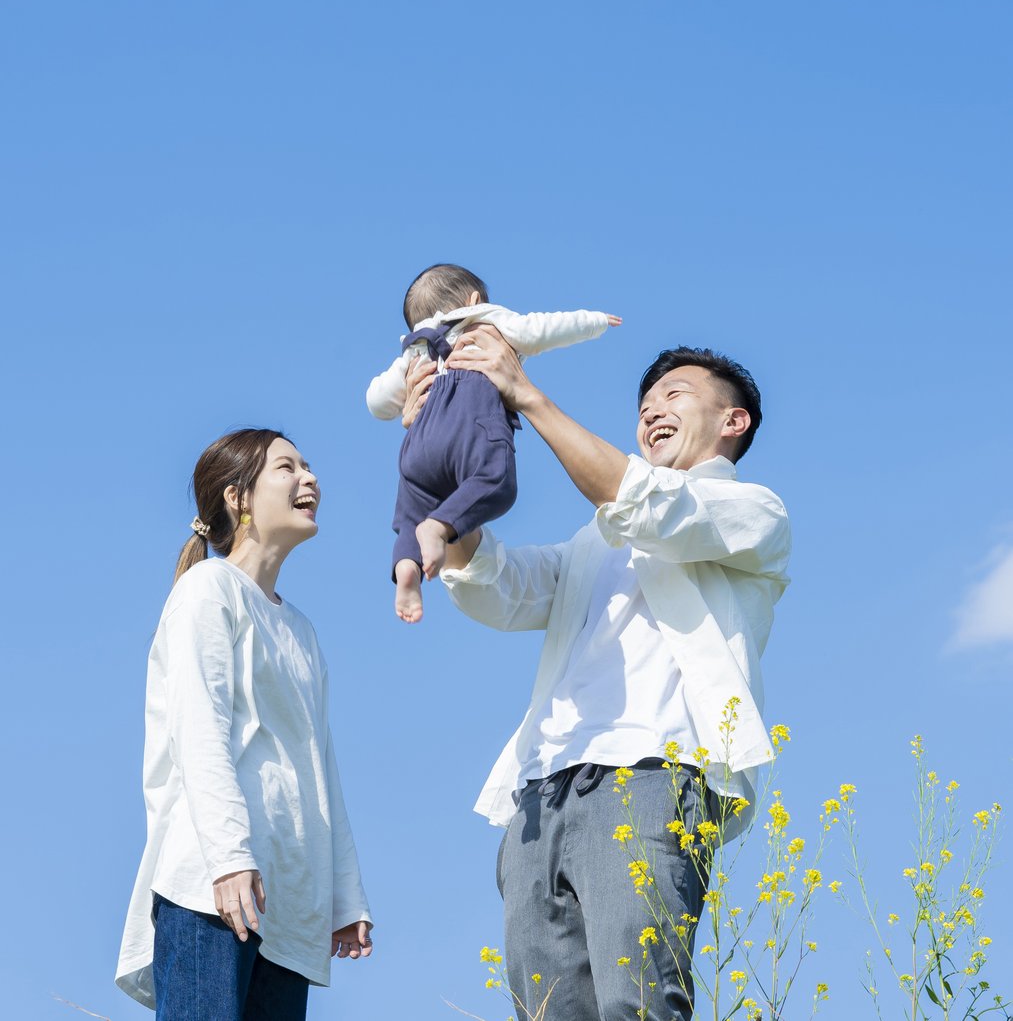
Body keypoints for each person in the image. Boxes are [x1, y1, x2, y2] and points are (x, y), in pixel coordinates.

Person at [410, 331, 790, 1021]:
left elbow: (649, 505)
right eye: (644, 402)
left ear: (732, 421)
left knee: (635, 1001)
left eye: (674, 394)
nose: (651, 411)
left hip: (651, 772)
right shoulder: (594, 539)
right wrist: (442, 446)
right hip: (543, 786)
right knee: (548, 1010)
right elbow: (502, 585)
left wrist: (527, 394)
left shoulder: (751, 512)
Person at [116, 429, 373, 1020]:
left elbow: (319, 764)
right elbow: (198, 732)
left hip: (289, 903)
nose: (310, 479)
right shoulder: (207, 591)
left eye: (308, 466)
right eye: (287, 468)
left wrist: (344, 891)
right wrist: (229, 857)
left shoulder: (302, 630)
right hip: (214, 886)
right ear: (239, 497)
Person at [366, 262, 620, 622]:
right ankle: (439, 527)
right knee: (495, 481)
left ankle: (406, 565)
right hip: (470, 424)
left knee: (411, 511)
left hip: (419, 436)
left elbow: (377, 402)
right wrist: (593, 322)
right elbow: (541, 329)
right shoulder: (487, 322)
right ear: (473, 299)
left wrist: (408, 390)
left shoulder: (414, 350)